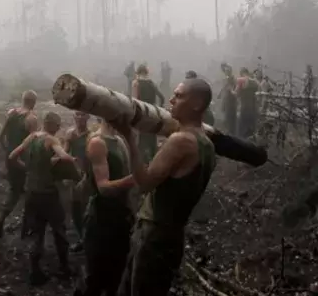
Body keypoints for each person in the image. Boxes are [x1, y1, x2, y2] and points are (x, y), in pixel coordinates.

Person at [115, 78, 217, 296]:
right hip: (173, 233)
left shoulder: (181, 141)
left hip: (155, 234)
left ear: (197, 104)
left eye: (179, 96)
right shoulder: (207, 143)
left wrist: (129, 138)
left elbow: (143, 183)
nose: (171, 100)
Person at [9, 112, 77, 285]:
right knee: (59, 230)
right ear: (53, 125)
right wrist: (73, 160)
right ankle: (65, 268)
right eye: (58, 125)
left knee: (37, 232)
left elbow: (12, 156)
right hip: (48, 194)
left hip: (31, 192)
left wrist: (29, 169)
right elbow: (63, 156)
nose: (59, 128)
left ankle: (35, 271)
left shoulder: (31, 137)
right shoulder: (51, 140)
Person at [79, 119, 135, 296]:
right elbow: (103, 187)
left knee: (116, 276)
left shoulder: (119, 141)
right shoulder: (98, 143)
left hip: (120, 218)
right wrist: (134, 179)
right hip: (101, 219)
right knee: (94, 279)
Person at [0, 90, 39, 238]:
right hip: (24, 160)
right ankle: (25, 228)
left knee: (15, 190)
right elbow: (34, 144)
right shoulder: (31, 119)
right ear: (34, 102)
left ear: (23, 99)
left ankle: (4, 222)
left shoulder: (11, 113)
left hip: (10, 157)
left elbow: (0, 136)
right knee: (29, 191)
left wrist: (9, 152)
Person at [64, 111, 91, 253]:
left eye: (83, 114)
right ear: (74, 116)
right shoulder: (71, 134)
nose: (80, 117)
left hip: (87, 176)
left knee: (86, 208)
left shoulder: (91, 136)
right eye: (77, 114)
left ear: (88, 117)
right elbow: (65, 153)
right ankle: (82, 238)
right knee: (75, 209)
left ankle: (88, 239)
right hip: (74, 175)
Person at [132, 64, 165, 161]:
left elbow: (135, 101)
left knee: (141, 140)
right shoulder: (152, 83)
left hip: (142, 114)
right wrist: (159, 108)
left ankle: (140, 164)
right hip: (153, 113)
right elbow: (162, 98)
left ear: (138, 73)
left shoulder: (136, 83)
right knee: (152, 139)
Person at [236, 67, 259, 138]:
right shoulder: (255, 82)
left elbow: (237, 94)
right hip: (253, 109)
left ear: (242, 73)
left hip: (244, 109)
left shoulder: (241, 81)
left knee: (241, 131)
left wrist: (231, 90)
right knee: (252, 131)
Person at [218, 63, 237, 135]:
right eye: (225, 71)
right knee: (225, 115)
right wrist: (220, 93)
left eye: (227, 71)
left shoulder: (232, 78)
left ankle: (230, 132)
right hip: (226, 99)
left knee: (229, 117)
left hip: (230, 100)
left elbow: (231, 88)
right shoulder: (226, 78)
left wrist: (231, 90)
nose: (225, 72)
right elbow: (224, 87)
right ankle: (227, 131)